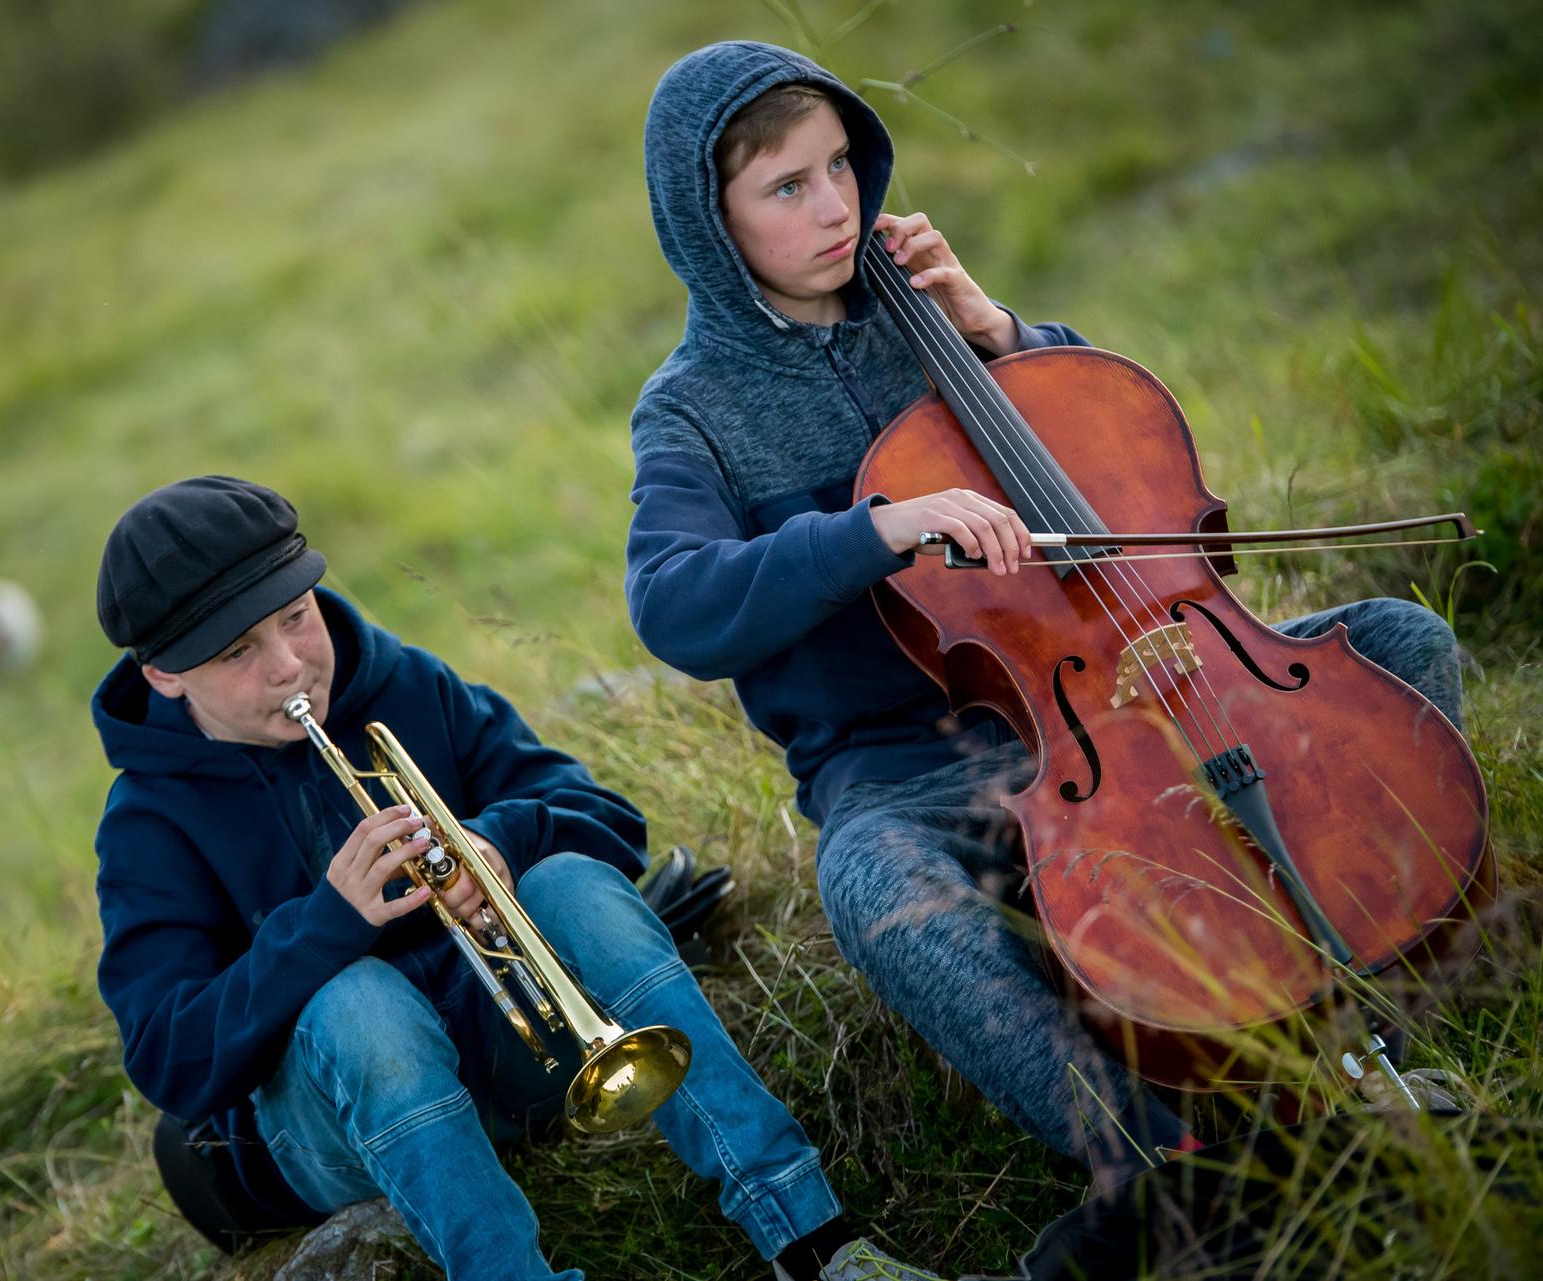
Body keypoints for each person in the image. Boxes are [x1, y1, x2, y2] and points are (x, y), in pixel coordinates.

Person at [622, 41, 1468, 1187]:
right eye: (787, 187)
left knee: (1402, 647)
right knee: (872, 886)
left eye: (840, 167)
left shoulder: (924, 312)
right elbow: (674, 604)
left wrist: (1006, 338)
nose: (837, 208)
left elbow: (1119, 466)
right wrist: (878, 528)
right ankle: (1159, 1167)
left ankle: (1378, 1022)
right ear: (706, 222)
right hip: (910, 771)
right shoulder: (690, 413)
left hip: (1115, 683)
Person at [89, 475, 941, 1281]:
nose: (288, 666)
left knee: (570, 881)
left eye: (296, 616)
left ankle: (812, 1237)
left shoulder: (405, 684)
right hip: (344, 1122)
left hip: (525, 1046)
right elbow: (170, 1056)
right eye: (240, 651)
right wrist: (328, 924)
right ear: (163, 675)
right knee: (357, 999)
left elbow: (605, 816)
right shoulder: (148, 825)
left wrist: (497, 842)